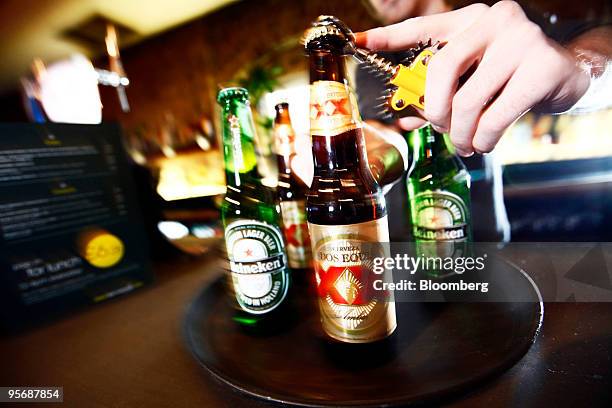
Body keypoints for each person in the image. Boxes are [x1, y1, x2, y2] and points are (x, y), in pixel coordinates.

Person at [354, 0, 611, 242]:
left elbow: (598, 41)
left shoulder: (496, 21)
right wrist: (368, 149)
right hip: (409, 247)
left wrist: (580, 69)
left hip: (485, 236)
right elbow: (382, 127)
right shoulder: (376, 61)